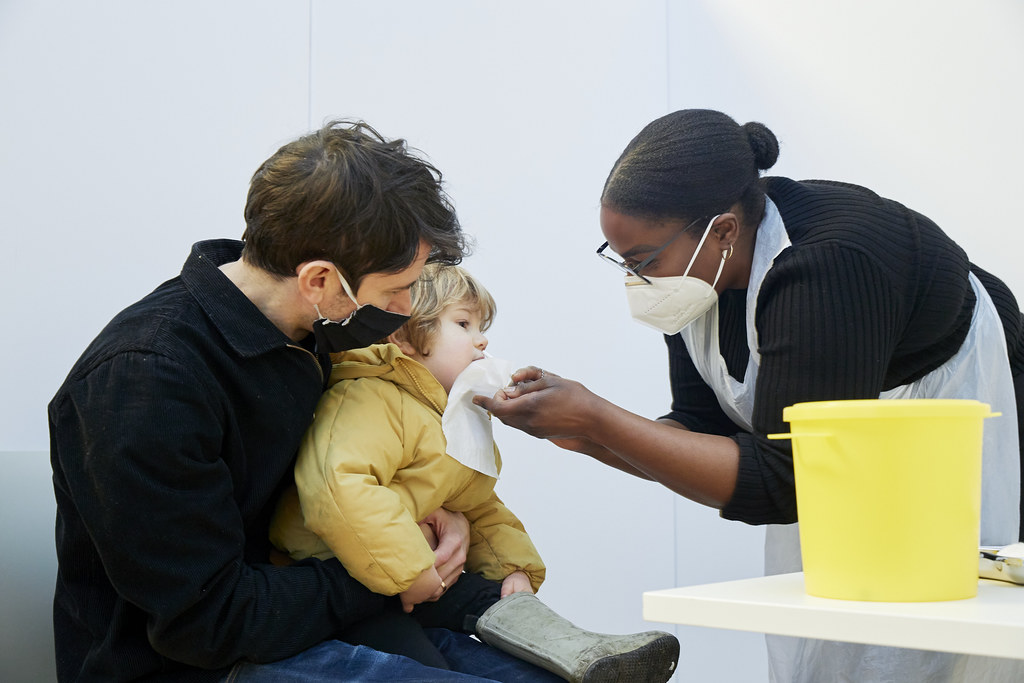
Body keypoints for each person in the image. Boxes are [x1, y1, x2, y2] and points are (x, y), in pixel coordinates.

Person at [473, 108, 1024, 682]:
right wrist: (583, 433)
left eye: (641, 260)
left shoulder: (825, 267)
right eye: (621, 260)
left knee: (942, 641)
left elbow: (785, 483)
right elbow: (700, 430)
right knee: (837, 640)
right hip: (844, 458)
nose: (634, 280)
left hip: (960, 411)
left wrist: (598, 419)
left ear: (723, 231)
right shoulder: (692, 281)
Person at [48, 120, 557, 682]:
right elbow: (206, 622)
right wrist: (395, 565)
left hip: (326, 613)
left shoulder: (318, 335)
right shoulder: (145, 382)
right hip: (200, 662)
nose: (408, 307)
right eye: (396, 290)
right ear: (319, 279)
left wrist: (450, 522)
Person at [269, 263, 680, 683]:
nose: (481, 339)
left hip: (409, 571)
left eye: (481, 326)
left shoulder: (450, 415)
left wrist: (513, 567)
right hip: (344, 574)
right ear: (404, 336)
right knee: (418, 661)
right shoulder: (368, 397)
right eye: (463, 323)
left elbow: (477, 501)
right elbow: (339, 488)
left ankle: (586, 654)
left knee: (496, 598)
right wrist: (409, 573)